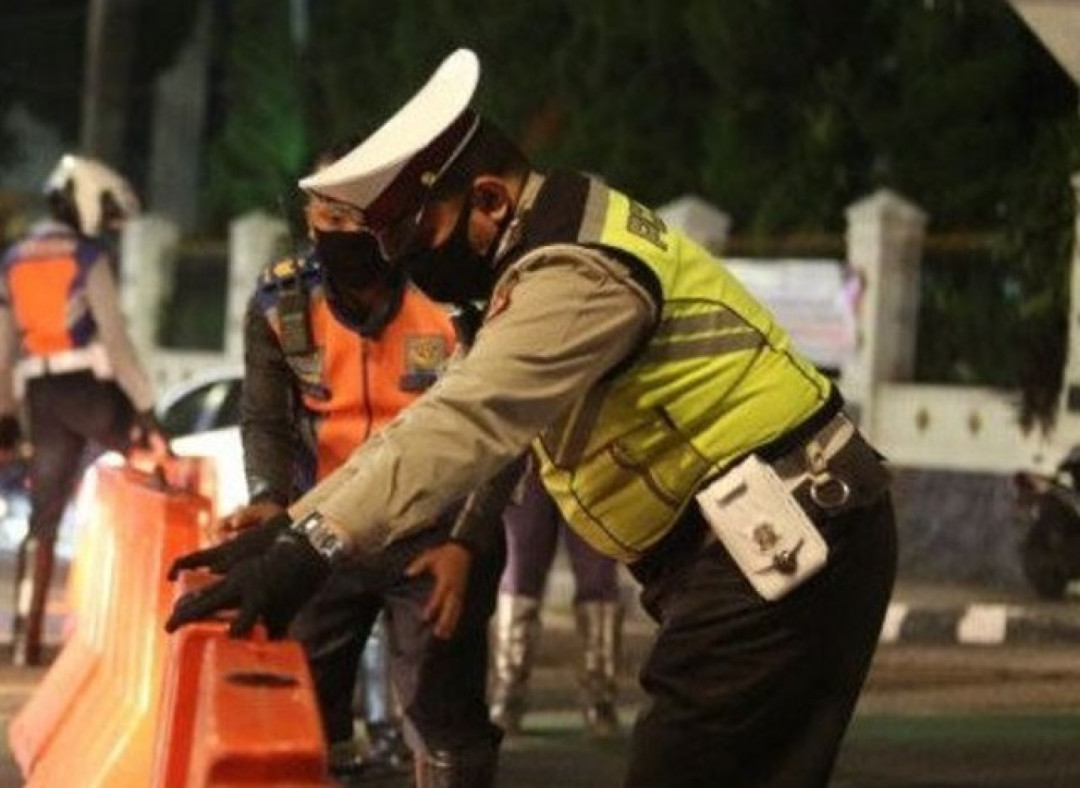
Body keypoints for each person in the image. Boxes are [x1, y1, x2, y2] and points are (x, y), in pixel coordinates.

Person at [165, 49, 897, 788]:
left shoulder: (574, 272)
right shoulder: (541, 254)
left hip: (785, 531)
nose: (413, 263)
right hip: (760, 538)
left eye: (419, 236)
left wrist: (309, 544)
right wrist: (290, 530)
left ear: (488, 200)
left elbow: (468, 420)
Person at [169, 139, 506, 786]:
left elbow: (498, 428)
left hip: (436, 535)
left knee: (442, 715)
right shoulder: (283, 304)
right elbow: (266, 418)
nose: (347, 231)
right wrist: (268, 500)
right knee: (306, 702)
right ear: (308, 219)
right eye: (331, 217)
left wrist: (467, 543)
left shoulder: (454, 298)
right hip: (327, 530)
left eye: (361, 216)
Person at [0, 154, 168, 667]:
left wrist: (5, 410)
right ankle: (151, 617)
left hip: (42, 398)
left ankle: (25, 638)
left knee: (43, 517)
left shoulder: (14, 257)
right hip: (93, 393)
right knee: (154, 476)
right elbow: (115, 341)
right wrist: (145, 409)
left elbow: (4, 344)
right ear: (89, 200)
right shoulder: (87, 256)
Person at [490, 456, 623, 738]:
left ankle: (600, 696)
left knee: (598, 578)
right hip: (529, 455)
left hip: (592, 457)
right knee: (518, 576)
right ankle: (508, 690)